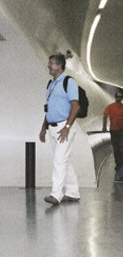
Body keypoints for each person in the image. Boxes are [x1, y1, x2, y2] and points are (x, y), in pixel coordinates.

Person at [39, 53, 81, 205]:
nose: (49, 65)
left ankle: (56, 194)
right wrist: (44, 128)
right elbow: (48, 108)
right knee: (64, 161)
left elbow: (76, 106)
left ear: (59, 66)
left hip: (64, 126)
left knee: (59, 160)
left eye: (51, 63)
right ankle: (73, 192)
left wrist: (67, 127)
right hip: (52, 127)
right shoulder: (51, 84)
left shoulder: (69, 82)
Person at [102, 91, 123, 181]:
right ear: (115, 97)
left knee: (121, 148)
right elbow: (105, 116)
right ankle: (118, 166)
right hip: (113, 130)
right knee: (116, 149)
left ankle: (120, 168)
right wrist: (104, 127)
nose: (119, 98)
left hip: (122, 130)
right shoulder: (110, 107)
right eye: (118, 97)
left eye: (120, 97)